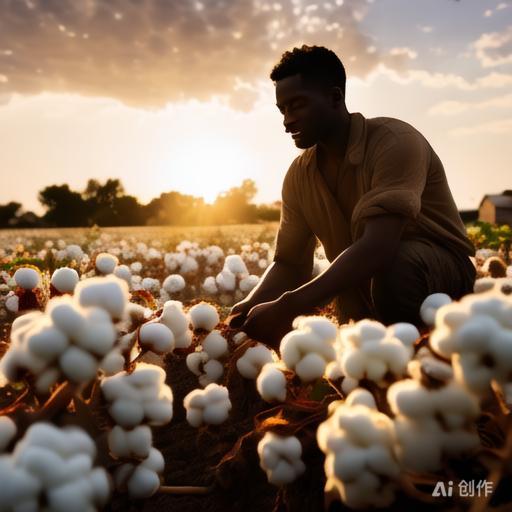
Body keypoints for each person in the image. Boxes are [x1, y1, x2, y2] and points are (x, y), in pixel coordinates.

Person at [227, 44, 476, 349]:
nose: (287, 121)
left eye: (297, 105)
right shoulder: (299, 175)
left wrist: (289, 306)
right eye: (283, 110)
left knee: (397, 265)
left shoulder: (396, 141)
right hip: (366, 286)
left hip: (437, 281)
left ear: (334, 98)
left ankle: (418, 359)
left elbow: (379, 247)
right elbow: (290, 264)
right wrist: (244, 310)